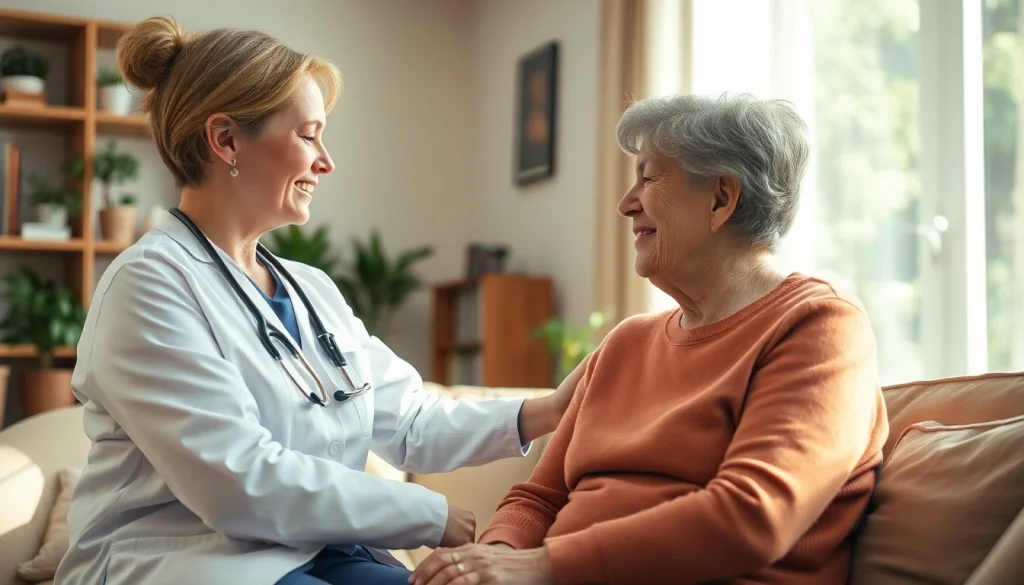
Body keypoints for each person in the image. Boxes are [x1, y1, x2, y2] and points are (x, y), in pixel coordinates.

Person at [53, 16, 578, 585]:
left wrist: (552, 409)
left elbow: (408, 420)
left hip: (311, 550)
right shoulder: (149, 284)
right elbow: (237, 482)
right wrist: (427, 513)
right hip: (185, 559)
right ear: (225, 139)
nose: (326, 161)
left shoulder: (309, 289)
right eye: (308, 136)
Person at [410, 93, 890, 585]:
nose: (625, 204)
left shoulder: (818, 324)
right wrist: (489, 563)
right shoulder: (627, 343)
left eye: (649, 177)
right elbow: (538, 500)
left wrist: (540, 566)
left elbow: (754, 514)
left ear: (721, 198)